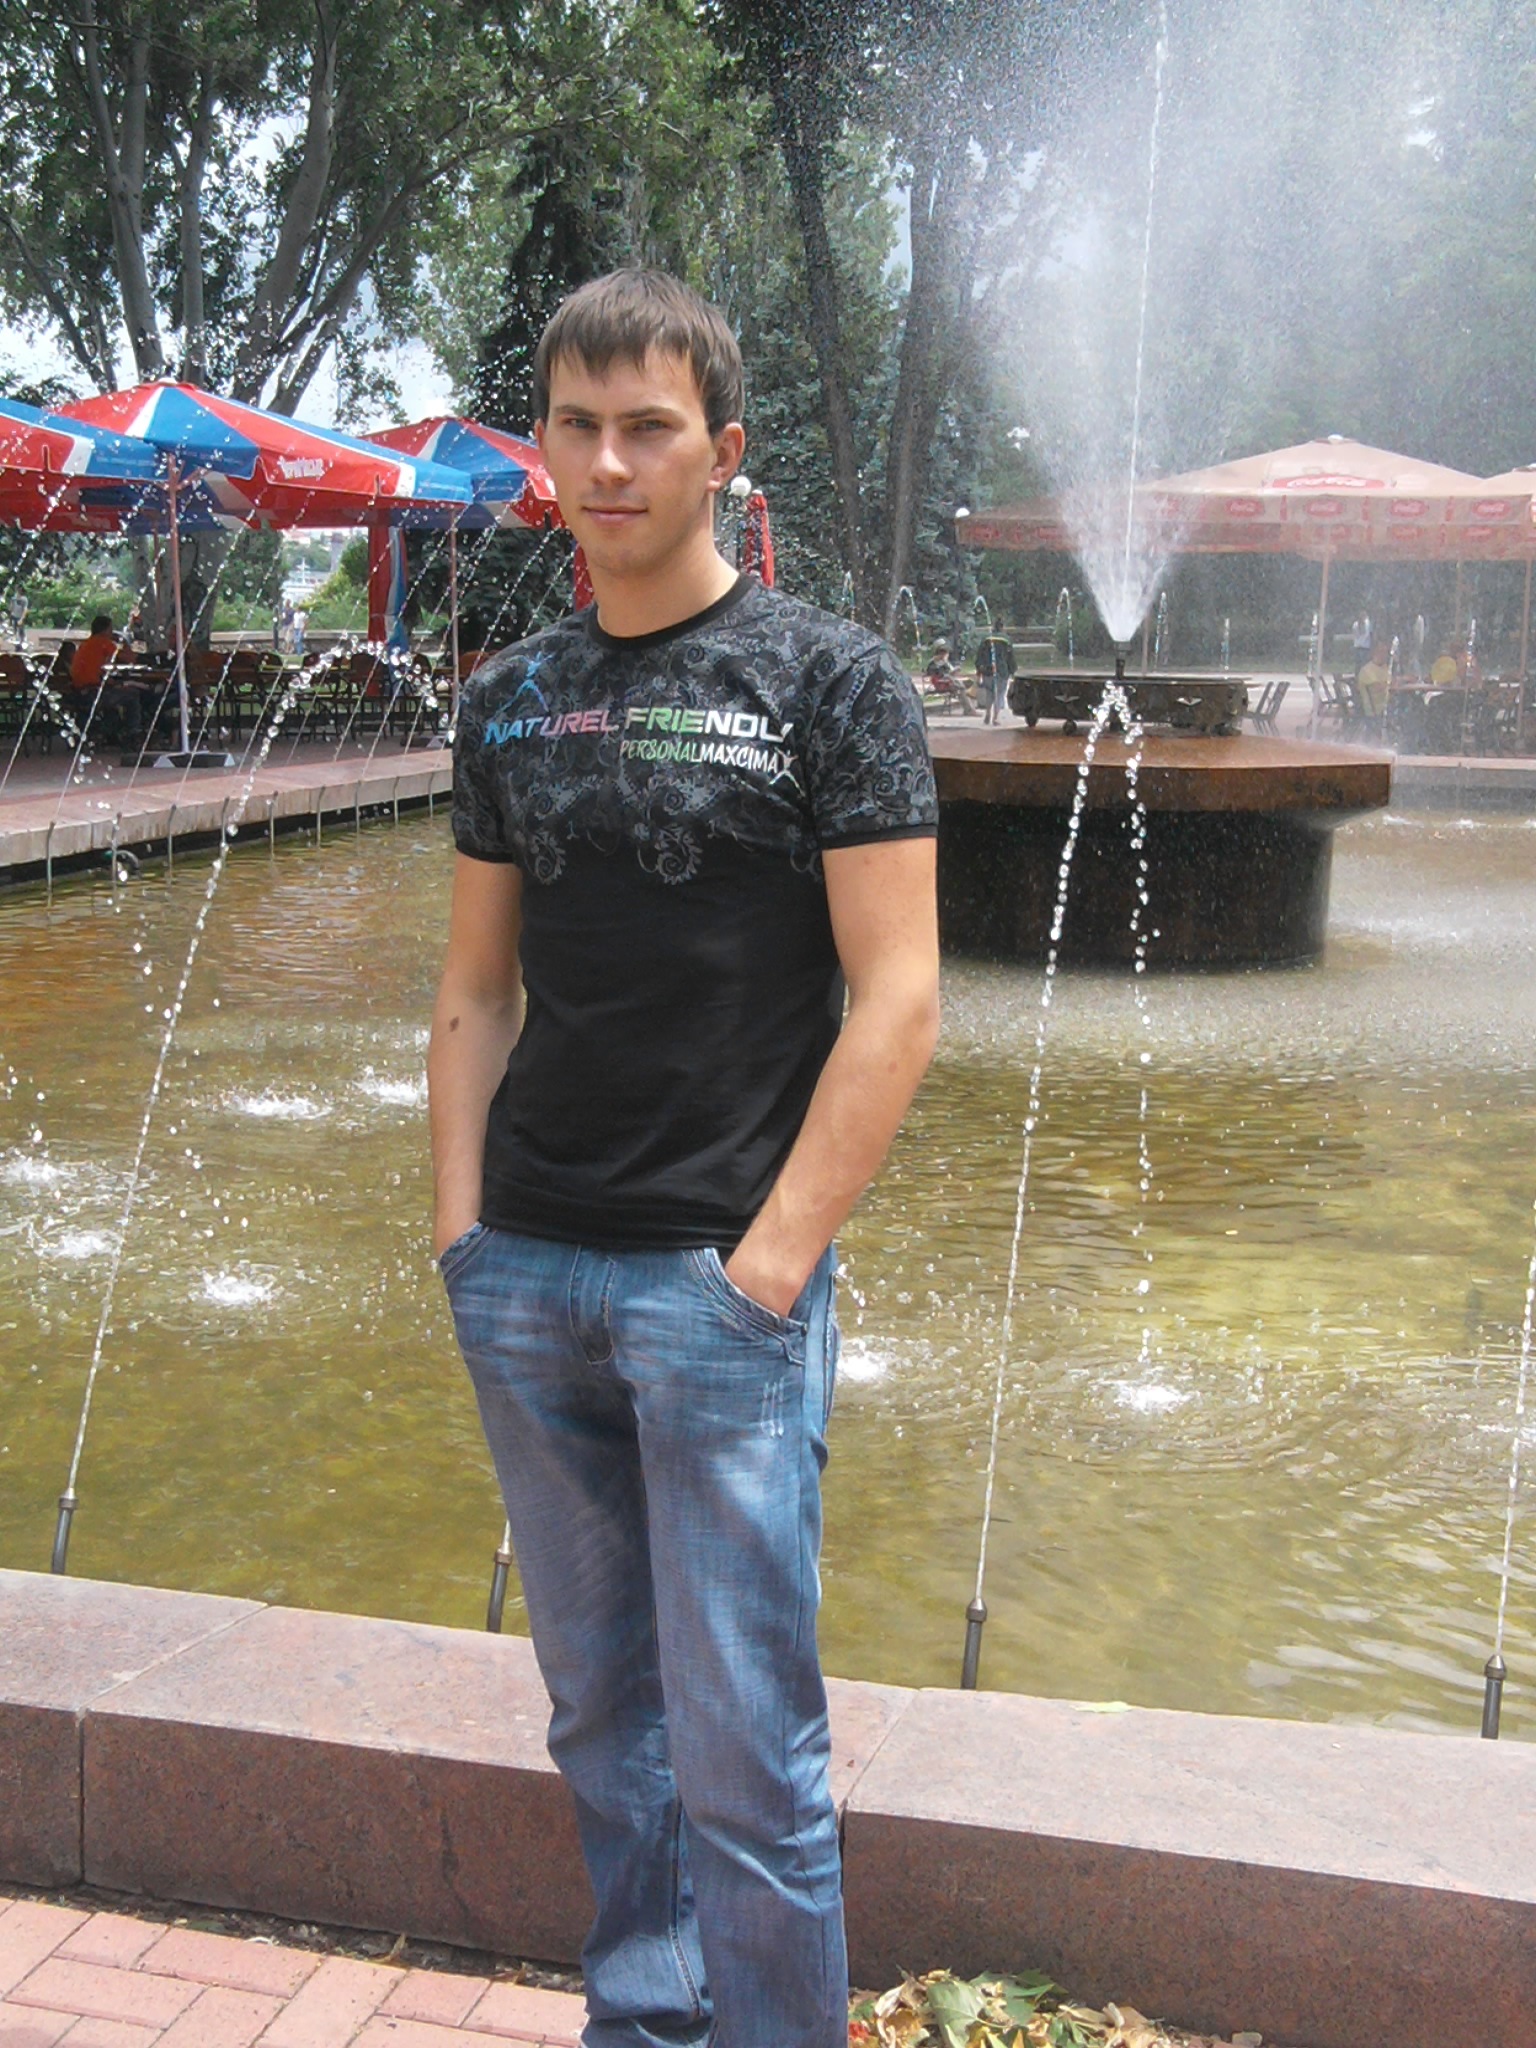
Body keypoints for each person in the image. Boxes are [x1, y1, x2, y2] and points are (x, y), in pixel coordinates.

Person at [428, 269, 939, 2048]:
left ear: (721, 451)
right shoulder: (509, 698)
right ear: (544, 448)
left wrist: (770, 1267)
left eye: (648, 428)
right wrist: (462, 1237)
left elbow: (899, 997)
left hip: (718, 1287)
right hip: (529, 1272)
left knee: (746, 1756)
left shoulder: (830, 683)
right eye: (576, 427)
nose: (608, 463)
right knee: (600, 1723)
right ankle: (644, 2022)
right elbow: (473, 991)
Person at [69, 614, 146, 745]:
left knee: (115, 696)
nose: (112, 632)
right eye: (110, 629)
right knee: (132, 695)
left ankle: (111, 732)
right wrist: (123, 641)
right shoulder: (104, 643)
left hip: (79, 692)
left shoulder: (85, 645)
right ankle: (132, 732)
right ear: (105, 630)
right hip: (94, 693)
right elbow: (130, 659)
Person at [975, 633, 1014, 725]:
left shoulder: (986, 639)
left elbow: (979, 656)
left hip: (987, 670)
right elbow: (1010, 657)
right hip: (1001, 670)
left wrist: (979, 669)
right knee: (999, 694)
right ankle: (996, 717)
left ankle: (988, 713)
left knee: (989, 693)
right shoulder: (1006, 640)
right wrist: (1012, 670)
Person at [1356, 641, 1393, 721]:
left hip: (1388, 705)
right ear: (1375, 653)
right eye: (1383, 652)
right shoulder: (1366, 670)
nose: (1386, 655)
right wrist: (1394, 684)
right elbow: (1378, 687)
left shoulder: (1385, 667)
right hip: (1376, 710)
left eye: (1386, 652)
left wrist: (1402, 679)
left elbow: (1390, 680)